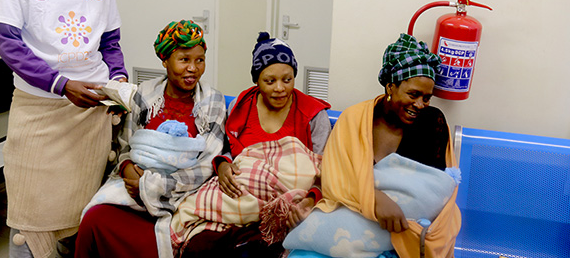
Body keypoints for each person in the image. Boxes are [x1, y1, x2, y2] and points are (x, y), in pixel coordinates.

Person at [0, 0, 126, 257]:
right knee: (30, 212)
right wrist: (60, 85)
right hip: (41, 107)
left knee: (85, 208)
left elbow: (110, 41)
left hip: (92, 110)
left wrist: (120, 82)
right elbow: (9, 43)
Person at [74, 20, 227, 258]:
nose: (193, 68)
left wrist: (152, 186)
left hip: (182, 193)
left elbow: (208, 162)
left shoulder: (212, 101)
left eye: (200, 60)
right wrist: (128, 171)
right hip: (133, 187)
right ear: (165, 61)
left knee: (159, 242)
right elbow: (125, 147)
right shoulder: (144, 95)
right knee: (94, 219)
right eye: (184, 59)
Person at [174, 32, 332, 258]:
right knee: (198, 248)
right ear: (257, 80)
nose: (280, 88)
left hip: (282, 209)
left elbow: (325, 168)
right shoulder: (242, 106)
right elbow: (225, 148)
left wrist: (309, 200)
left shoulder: (313, 115)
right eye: (270, 81)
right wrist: (223, 165)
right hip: (238, 199)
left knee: (254, 252)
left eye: (287, 79)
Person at [316, 33, 461, 257]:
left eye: (427, 97)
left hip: (408, 233)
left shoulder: (432, 123)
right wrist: (374, 198)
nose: (420, 104)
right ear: (390, 87)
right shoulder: (354, 119)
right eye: (413, 94)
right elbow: (335, 179)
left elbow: (433, 194)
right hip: (352, 222)